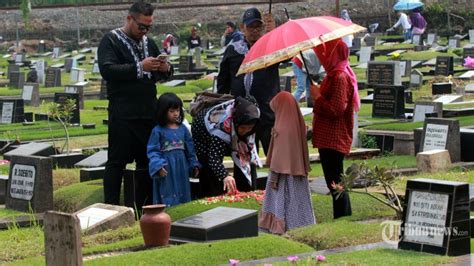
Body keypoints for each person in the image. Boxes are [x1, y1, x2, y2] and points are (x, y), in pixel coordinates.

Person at [98, 1, 173, 206]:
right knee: (116, 163)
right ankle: (111, 208)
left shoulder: (148, 42)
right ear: (129, 18)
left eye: (149, 27)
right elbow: (108, 70)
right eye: (141, 26)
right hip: (123, 114)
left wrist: (164, 68)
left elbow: (158, 75)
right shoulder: (110, 40)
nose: (145, 31)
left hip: (148, 113)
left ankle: (147, 206)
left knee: (148, 161)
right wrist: (139, 67)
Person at [310, 38, 360, 219]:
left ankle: (343, 216)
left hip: (334, 137)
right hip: (328, 137)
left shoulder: (339, 76)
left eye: (327, 52)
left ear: (334, 54)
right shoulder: (333, 74)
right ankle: (341, 215)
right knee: (333, 180)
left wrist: (318, 97)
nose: (323, 55)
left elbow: (336, 109)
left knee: (336, 181)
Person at [217, 7, 277, 155]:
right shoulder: (233, 49)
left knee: (274, 157)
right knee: (244, 161)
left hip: (267, 112)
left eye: (258, 26)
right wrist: (222, 106)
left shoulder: (270, 46)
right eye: (251, 26)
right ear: (243, 27)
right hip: (242, 115)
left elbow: (288, 55)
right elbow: (223, 80)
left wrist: (273, 33)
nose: (254, 30)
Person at [259, 91, 315, 234]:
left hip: (282, 175)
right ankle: (302, 223)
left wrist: (273, 177)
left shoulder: (282, 127)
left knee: (284, 201)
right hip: (297, 170)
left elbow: (279, 158)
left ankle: (282, 225)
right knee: (298, 200)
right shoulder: (297, 122)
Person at [192, 96, 261, 197]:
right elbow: (213, 158)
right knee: (208, 167)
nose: (246, 131)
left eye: (249, 128)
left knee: (245, 154)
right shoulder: (220, 130)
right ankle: (213, 195)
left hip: (232, 128)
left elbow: (248, 155)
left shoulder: (253, 113)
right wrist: (225, 176)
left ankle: (246, 190)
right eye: (243, 128)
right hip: (203, 133)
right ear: (236, 122)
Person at [147, 93, 200, 206]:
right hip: (166, 168)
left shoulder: (183, 129)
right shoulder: (157, 131)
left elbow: (190, 149)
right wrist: (158, 166)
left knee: (183, 191)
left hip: (182, 167)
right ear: (162, 112)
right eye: (172, 111)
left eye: (178, 110)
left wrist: (193, 164)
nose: (176, 113)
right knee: (167, 193)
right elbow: (153, 151)